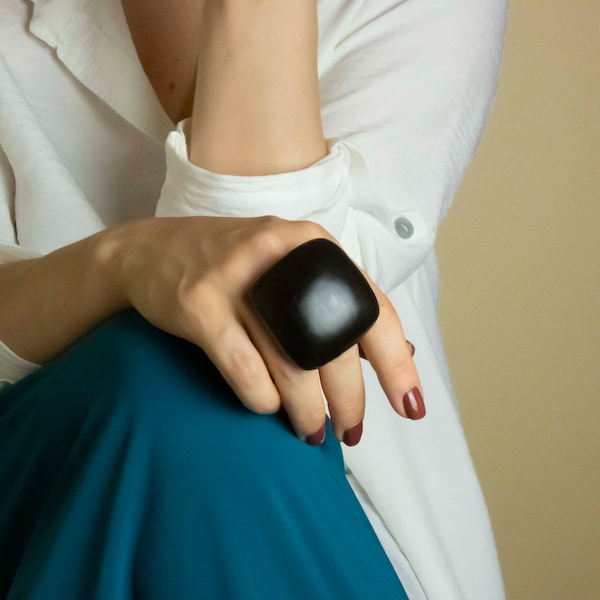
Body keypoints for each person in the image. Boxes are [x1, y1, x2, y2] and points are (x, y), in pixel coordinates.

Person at [0, 0, 508, 598]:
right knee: (170, 388)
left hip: (322, 512)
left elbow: (290, 335)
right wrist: (121, 263)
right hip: (34, 497)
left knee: (215, 404)